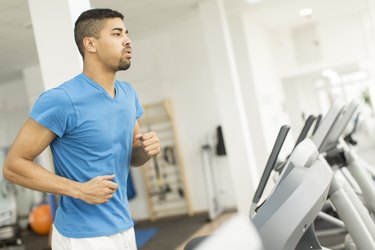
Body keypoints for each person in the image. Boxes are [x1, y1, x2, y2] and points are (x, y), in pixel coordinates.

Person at [2, 8, 160, 250]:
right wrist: (80, 190)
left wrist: (145, 150)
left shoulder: (128, 95)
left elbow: (133, 158)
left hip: (125, 227)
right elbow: (13, 166)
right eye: (117, 34)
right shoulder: (62, 100)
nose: (127, 40)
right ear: (90, 44)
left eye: (126, 33)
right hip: (83, 236)